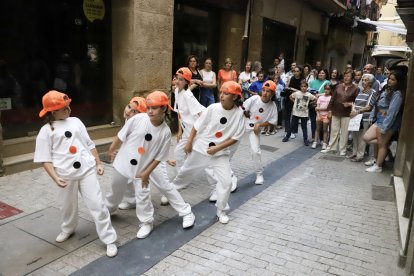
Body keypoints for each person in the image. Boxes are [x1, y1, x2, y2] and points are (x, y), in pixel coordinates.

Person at [33, 90, 118, 257]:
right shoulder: (45, 131)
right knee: (67, 206)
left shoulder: (76, 121)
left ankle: (109, 239)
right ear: (53, 112)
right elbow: (44, 158)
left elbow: (88, 143)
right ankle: (68, 228)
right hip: (65, 174)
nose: (68, 109)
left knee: (98, 205)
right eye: (64, 107)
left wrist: (98, 163)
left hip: (86, 170)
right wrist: (55, 177)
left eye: (68, 105)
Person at [105, 91, 195, 239]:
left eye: (154, 108)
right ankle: (108, 209)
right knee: (116, 188)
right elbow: (121, 135)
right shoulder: (138, 119)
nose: (150, 111)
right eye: (148, 107)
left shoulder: (165, 132)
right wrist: (111, 149)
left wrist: (146, 172)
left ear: (164, 109)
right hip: (124, 164)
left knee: (151, 191)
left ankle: (155, 220)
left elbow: (160, 156)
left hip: (146, 167)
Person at [171, 81, 245, 224]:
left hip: (220, 154)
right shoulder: (212, 108)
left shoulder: (239, 114)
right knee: (185, 173)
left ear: (235, 97)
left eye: (226, 93)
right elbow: (197, 126)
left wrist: (217, 148)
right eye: (221, 92)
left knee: (227, 182)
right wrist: (189, 143)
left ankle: (221, 210)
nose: (222, 96)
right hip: (201, 149)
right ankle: (171, 191)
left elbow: (235, 138)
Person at [364, 71, 404, 172]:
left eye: (393, 79)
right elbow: (377, 104)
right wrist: (373, 117)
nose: (389, 80)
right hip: (379, 118)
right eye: (389, 78)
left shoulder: (397, 94)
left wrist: (385, 127)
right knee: (366, 138)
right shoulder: (387, 89)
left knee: (381, 144)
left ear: (398, 82)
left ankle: (378, 165)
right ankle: (387, 145)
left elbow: (392, 112)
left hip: (387, 122)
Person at [242, 80, 278, 184]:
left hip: (255, 130)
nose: (265, 93)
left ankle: (259, 174)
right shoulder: (254, 98)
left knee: (255, 151)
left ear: (272, 93)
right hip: (242, 125)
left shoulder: (272, 106)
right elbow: (242, 108)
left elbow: (273, 122)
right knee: (230, 148)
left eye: (268, 91)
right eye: (263, 90)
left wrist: (260, 125)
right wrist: (245, 113)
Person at [118, 97, 148, 210]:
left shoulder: (141, 125)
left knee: (161, 182)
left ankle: (175, 200)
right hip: (132, 156)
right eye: (129, 106)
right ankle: (132, 201)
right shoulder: (128, 120)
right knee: (127, 179)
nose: (128, 111)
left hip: (146, 156)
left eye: (134, 111)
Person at [321, 69, 359, 155]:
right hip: (336, 111)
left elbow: (357, 101)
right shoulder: (338, 86)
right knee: (334, 131)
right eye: (345, 76)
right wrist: (329, 110)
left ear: (352, 77)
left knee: (344, 132)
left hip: (347, 113)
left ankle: (342, 150)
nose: (346, 78)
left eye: (348, 76)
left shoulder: (355, 88)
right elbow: (332, 99)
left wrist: (350, 104)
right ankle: (331, 147)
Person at [346, 73, 376, 162]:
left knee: (362, 137)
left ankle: (359, 156)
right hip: (356, 117)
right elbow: (355, 103)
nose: (363, 82)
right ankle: (354, 153)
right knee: (355, 136)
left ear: (370, 82)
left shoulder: (372, 92)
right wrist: (353, 109)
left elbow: (369, 107)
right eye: (363, 80)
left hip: (364, 118)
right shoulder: (360, 91)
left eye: (366, 80)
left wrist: (357, 112)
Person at [282, 80, 316, 145]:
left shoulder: (309, 95)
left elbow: (315, 99)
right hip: (296, 113)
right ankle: (287, 136)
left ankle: (305, 139)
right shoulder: (297, 93)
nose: (303, 88)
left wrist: (309, 104)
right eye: (302, 86)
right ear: (300, 87)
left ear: (307, 87)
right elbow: (290, 96)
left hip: (304, 114)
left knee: (304, 127)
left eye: (305, 86)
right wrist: (294, 102)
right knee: (291, 126)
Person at [309, 69, 331, 142]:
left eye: (323, 73)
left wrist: (318, 95)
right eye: (320, 73)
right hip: (312, 104)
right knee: (313, 121)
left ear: (325, 74)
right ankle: (313, 137)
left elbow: (329, 93)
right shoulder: (312, 82)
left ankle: (321, 138)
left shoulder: (328, 82)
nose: (321, 74)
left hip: (322, 106)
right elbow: (309, 92)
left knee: (322, 122)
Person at [312, 84, 332, 149]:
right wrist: (318, 115)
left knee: (325, 130)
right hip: (319, 115)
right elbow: (317, 106)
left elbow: (328, 108)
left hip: (327, 116)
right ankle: (315, 142)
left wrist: (318, 109)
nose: (327, 90)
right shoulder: (320, 97)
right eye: (326, 89)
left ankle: (324, 143)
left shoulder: (331, 98)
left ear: (330, 90)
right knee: (317, 129)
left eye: (328, 89)